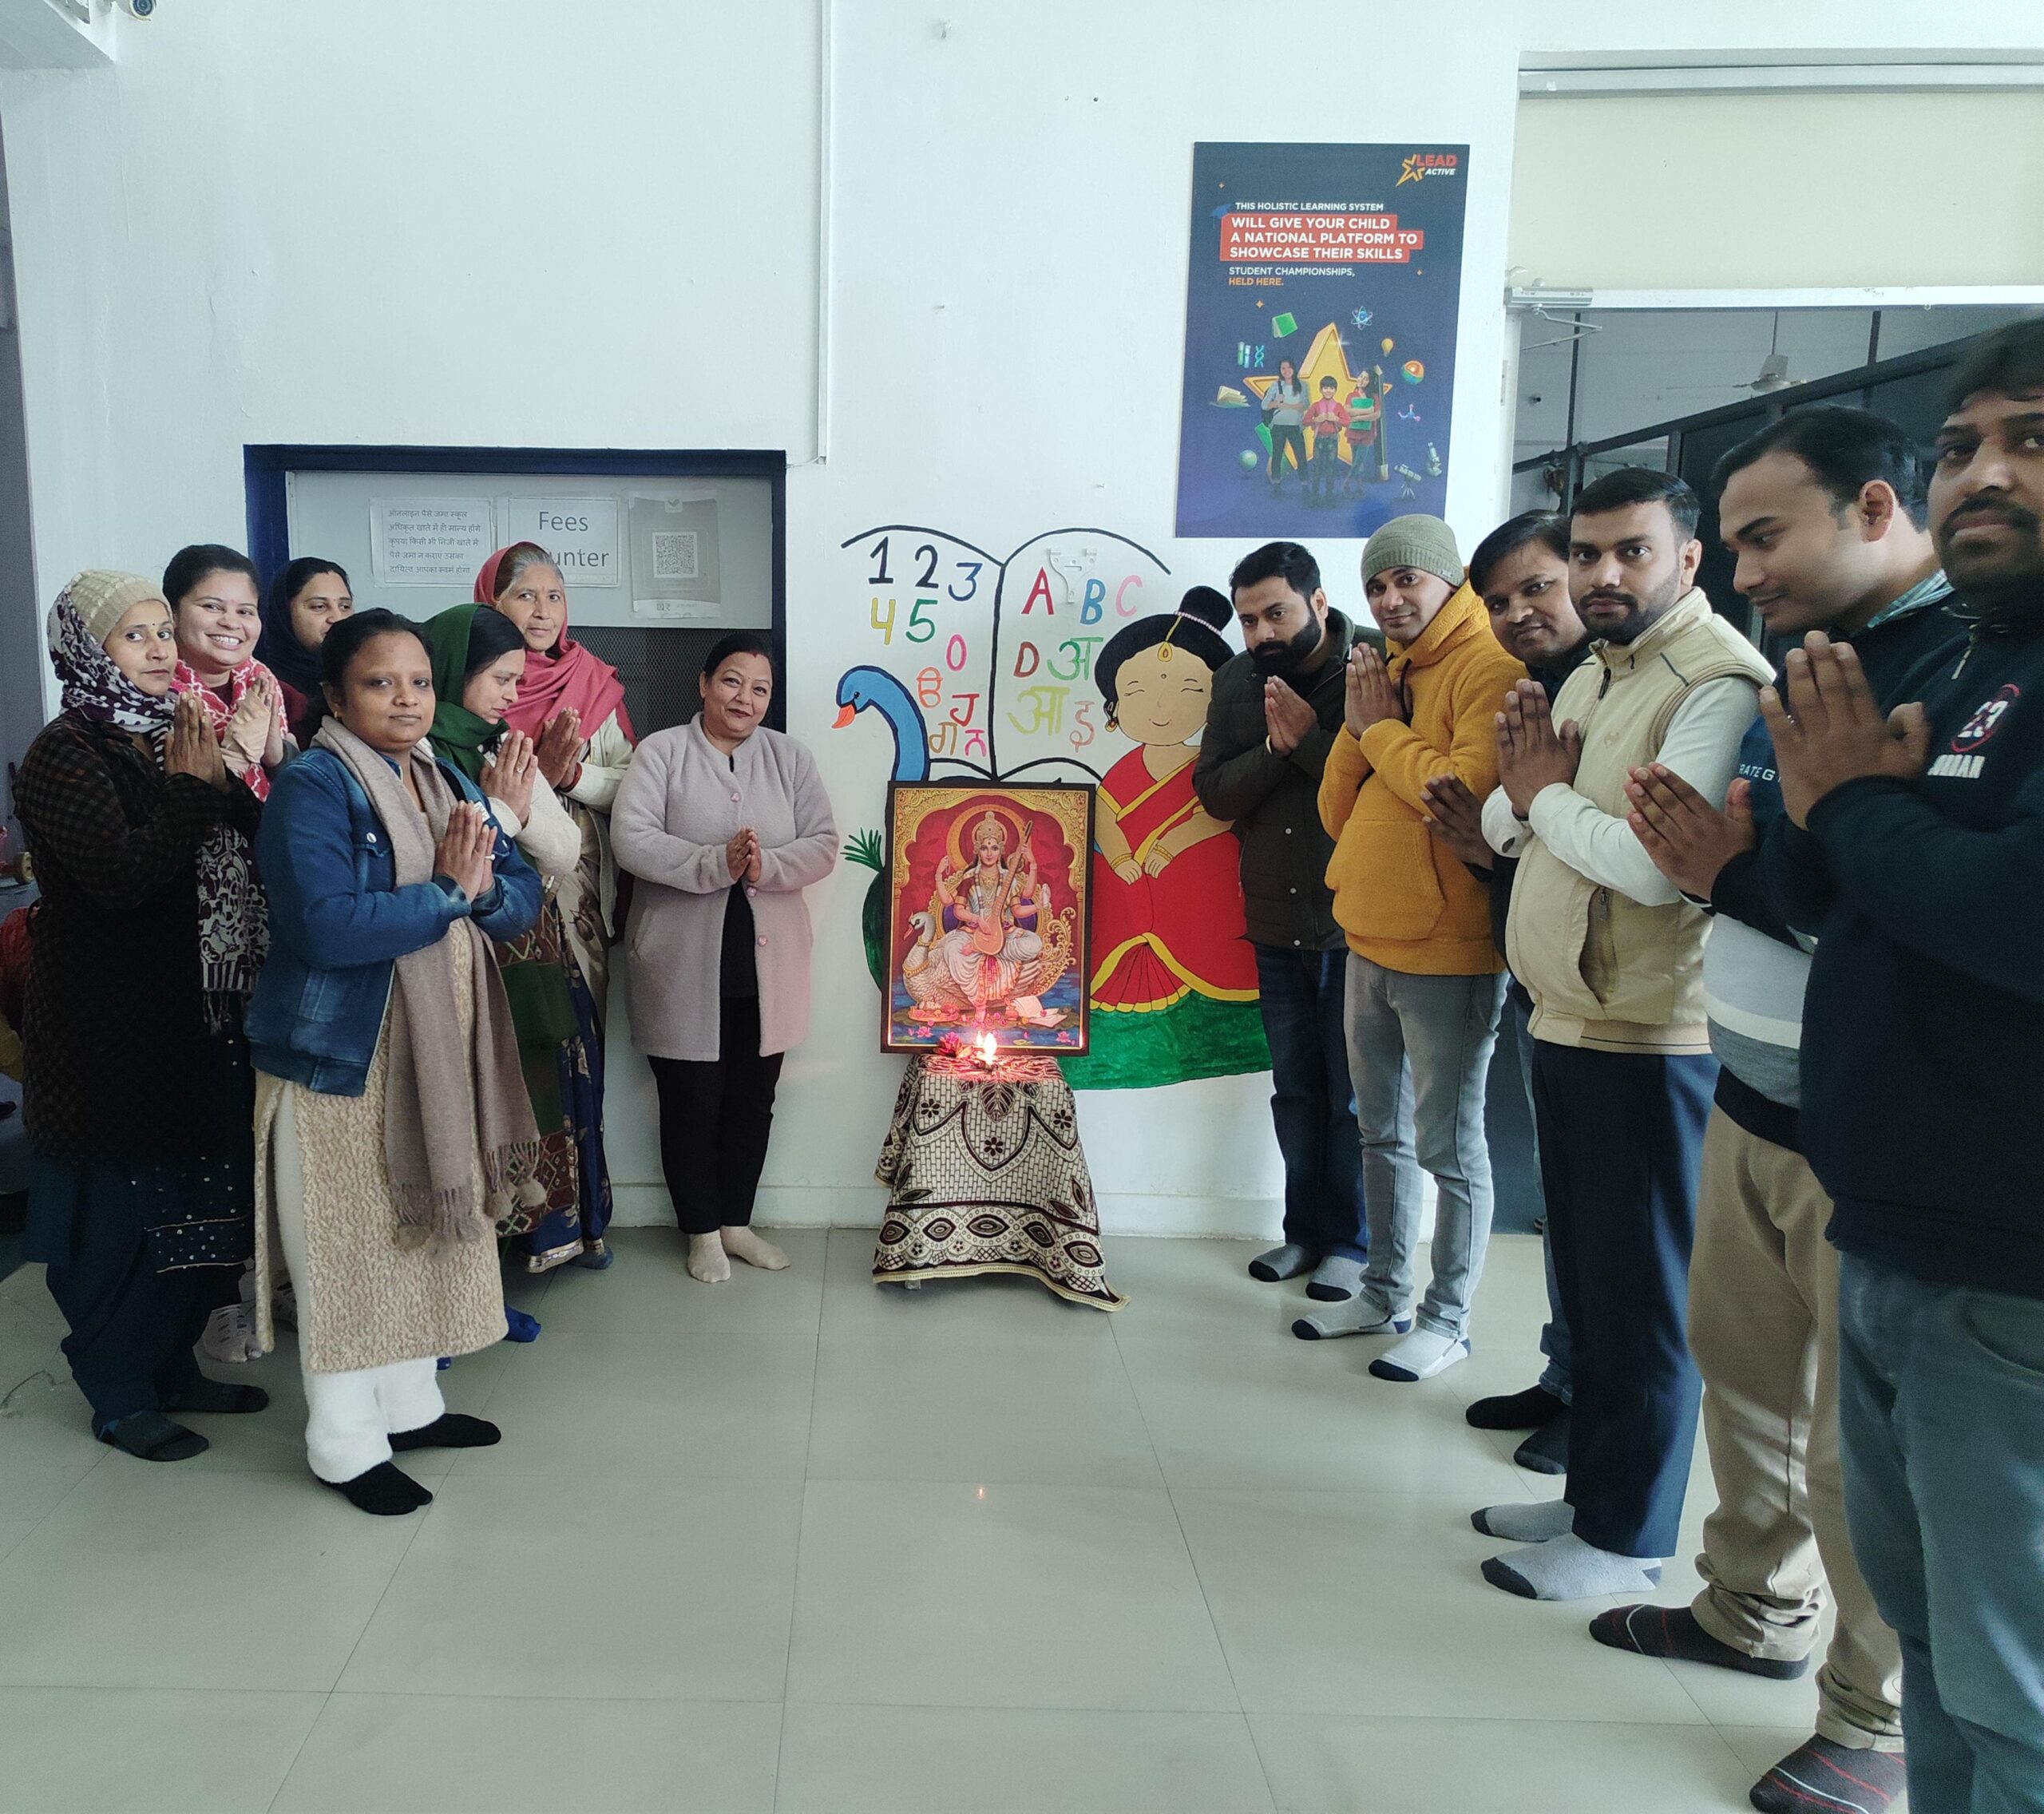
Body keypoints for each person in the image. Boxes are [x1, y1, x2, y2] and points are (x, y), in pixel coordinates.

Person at [1586, 407, 1956, 1814]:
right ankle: (1750, 1607)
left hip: (1866, 1130)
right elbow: (1754, 858)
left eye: (1761, 537)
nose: (1743, 571)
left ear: (1874, 508)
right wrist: (1736, 868)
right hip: (1752, 1092)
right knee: (1745, 1379)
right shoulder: (1814, 664)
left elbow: (1869, 896)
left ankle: (1872, 1718)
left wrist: (1731, 873)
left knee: (1860, 1453)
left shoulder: (1955, 665)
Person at [1765, 321, 2044, 1812]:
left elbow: (2015, 913)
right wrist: (1837, 821)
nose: (1983, 474)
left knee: (2012, 1688)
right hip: (1900, 1230)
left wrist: (1851, 815)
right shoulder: (1983, 658)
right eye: (1961, 446)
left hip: (2006, 1271)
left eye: (2032, 440)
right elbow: (1837, 882)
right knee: (1938, 1644)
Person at [1470, 468, 1772, 1601]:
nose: (1602, 574)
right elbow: (1505, 814)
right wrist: (1539, 798)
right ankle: (1590, 1502)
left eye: (1630, 552)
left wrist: (1544, 800)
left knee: (1642, 1300)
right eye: (1586, 553)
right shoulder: (1602, 669)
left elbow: (1652, 867)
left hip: (1649, 1036)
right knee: (1591, 1290)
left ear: (1687, 559)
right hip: (1570, 1017)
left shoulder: (1714, 683)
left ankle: (1626, 1539)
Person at [245, 609, 544, 1515]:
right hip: (342, 1056)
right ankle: (343, 1443)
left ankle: (410, 1408)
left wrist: (474, 893)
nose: (406, 699)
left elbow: (517, 895)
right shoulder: (312, 785)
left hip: (436, 1048)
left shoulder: (443, 774)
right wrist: (449, 892)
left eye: (418, 681)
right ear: (336, 698)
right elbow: (325, 926)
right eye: (380, 683)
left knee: (418, 1239)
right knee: (349, 1252)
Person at [16, 572, 263, 1462]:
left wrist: (234, 764)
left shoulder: (172, 730)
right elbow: (120, 878)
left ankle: (173, 1365)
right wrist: (196, 788)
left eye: (164, 631)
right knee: (122, 1220)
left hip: (200, 1013)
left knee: (204, 1202)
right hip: (108, 1032)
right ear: (88, 650)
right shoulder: (65, 753)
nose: (160, 649)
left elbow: (246, 829)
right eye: (135, 635)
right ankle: (117, 1391)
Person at [1301, 517, 1524, 1379]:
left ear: (1450, 577)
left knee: (1449, 1149)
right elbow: (1335, 812)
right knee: (1379, 1134)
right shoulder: (1387, 670)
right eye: (1376, 586)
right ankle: (1384, 1292)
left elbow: (1458, 792)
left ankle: (1447, 1318)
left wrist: (1381, 732)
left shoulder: (1488, 664)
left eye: (1407, 580)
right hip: (1367, 934)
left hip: (1449, 949)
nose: (1390, 600)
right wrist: (1363, 727)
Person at [1426, 512, 1588, 1471]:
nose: (1519, 611)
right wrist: (1491, 848)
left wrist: (1521, 817)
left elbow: (1619, 852)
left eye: (1537, 586)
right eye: (1498, 600)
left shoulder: (1618, 687)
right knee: (1564, 1201)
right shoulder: (1548, 690)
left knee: (1610, 1224)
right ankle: (1564, 1376)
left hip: (1618, 1003)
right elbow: (1514, 833)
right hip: (1541, 973)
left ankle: (1599, 1407)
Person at [612, 633, 838, 1284]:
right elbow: (632, 840)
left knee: (752, 1100)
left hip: (767, 967)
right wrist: (716, 862)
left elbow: (824, 843)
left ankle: (736, 1223)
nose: (746, 698)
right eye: (733, 682)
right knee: (690, 1103)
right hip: (681, 964)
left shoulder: (790, 758)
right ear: (705, 684)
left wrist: (766, 866)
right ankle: (701, 1231)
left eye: (760, 689)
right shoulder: (661, 753)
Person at [1194, 541, 1377, 1301]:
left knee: (1353, 1098)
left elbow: (1385, 784)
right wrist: (1277, 746)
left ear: (1319, 602)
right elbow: (1215, 792)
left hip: (1356, 924)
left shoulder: (1376, 665)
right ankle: (1303, 1232)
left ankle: (1353, 1246)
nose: (1262, 633)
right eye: (1249, 620)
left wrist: (1309, 743)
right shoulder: (1237, 680)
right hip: (1273, 921)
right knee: (1297, 1090)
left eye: (1276, 613)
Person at [422, 602, 615, 1274]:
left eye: (518, 679)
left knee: (538, 1093)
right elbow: (448, 862)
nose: (511, 695)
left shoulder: (501, 746)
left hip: (529, 944)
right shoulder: (420, 753)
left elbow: (561, 851)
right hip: (460, 957)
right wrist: (507, 812)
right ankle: (476, 1269)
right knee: (475, 1102)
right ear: (456, 670)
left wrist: (512, 811)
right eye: (500, 678)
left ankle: (539, 1242)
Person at [476, 542, 636, 1193]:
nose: (542, 611)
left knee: (578, 1039)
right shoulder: (469, 684)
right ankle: (516, 1208)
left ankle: (582, 1207)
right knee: (509, 1048)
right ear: (493, 602)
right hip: (496, 894)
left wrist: (570, 777)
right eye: (525, 596)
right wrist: (530, 781)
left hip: (577, 896)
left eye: (554, 597)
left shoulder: (590, 679)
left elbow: (632, 784)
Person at [1073, 586, 1263, 1084]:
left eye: (1188, 690)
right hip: (1134, 871)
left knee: (1203, 869)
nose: (1161, 706)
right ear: (1116, 705)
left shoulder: (1210, 762)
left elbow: (1221, 813)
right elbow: (1104, 816)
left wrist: (1172, 844)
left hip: (1190, 871)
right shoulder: (1124, 770)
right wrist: (1119, 858)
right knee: (1100, 878)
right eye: (1137, 691)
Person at [163, 543, 279, 1364]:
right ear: (174, 613)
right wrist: (236, 757)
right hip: (188, 949)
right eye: (212, 606)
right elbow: (184, 818)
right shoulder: (156, 704)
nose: (231, 623)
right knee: (207, 1129)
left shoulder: (265, 692)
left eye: (245, 609)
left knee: (258, 1125)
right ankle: (209, 1302)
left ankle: (260, 1280)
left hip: (264, 940)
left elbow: (286, 810)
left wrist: (271, 753)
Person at [256, 556, 354, 746]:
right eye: (319, 607)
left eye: (345, 607)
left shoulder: (361, 677)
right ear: (285, 613)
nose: (337, 618)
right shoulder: (265, 687)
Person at [1263, 359, 1308, 493]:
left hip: (1295, 427)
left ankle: (1305, 485)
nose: (1286, 371)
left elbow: (1305, 404)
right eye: (1283, 368)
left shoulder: (1302, 385)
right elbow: (1264, 405)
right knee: (1277, 456)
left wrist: (1288, 406)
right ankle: (1276, 484)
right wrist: (1277, 403)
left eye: (1289, 368)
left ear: (1294, 369)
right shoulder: (1276, 386)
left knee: (1301, 456)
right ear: (1280, 371)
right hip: (1278, 427)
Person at [1304, 376, 1349, 508]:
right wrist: (1316, 420)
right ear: (1320, 389)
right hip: (1319, 440)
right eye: (1325, 388)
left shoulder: (1338, 406)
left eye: (1331, 388)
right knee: (1317, 469)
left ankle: (1329, 497)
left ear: (1335, 390)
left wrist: (1336, 419)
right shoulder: (1316, 406)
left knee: (1331, 470)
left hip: (1332, 440)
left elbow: (1347, 422)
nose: (1328, 391)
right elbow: (1305, 421)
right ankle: (1315, 497)